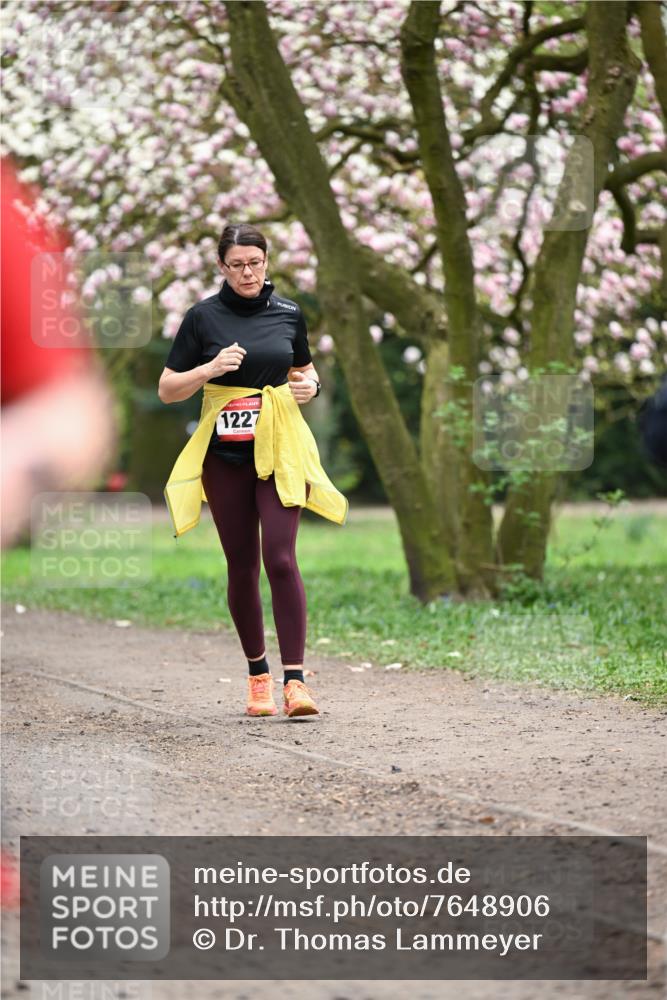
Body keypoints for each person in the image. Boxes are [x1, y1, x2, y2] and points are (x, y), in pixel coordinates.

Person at [159, 223, 347, 719]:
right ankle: (258, 675)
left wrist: (312, 388)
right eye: (237, 264)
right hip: (224, 458)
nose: (247, 272)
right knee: (241, 565)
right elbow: (168, 388)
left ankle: (296, 683)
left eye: (255, 263)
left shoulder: (288, 313)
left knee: (281, 559)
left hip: (280, 449)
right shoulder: (202, 318)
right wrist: (210, 369)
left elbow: (303, 373)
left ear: (268, 262)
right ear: (222, 267)